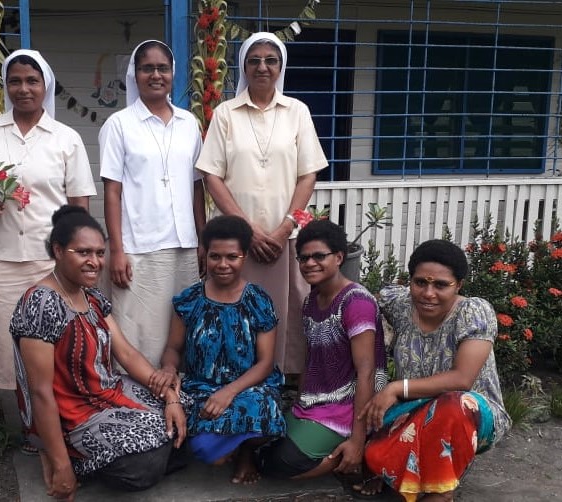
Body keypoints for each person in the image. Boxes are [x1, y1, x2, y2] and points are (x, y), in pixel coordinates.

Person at [10, 206, 189, 499]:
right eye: (83, 253)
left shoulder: (90, 295)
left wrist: (170, 397)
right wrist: (61, 465)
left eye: (100, 253)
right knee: (142, 464)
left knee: (187, 406)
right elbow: (40, 391)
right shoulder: (41, 304)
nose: (95, 262)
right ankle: (79, 461)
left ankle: (157, 448)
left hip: (109, 392)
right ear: (58, 250)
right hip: (75, 413)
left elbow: (128, 355)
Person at [0, 49, 97, 392]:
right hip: (0, 256)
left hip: (49, 262)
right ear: (6, 86)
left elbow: (79, 203)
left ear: (45, 86)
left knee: (56, 341)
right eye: (15, 81)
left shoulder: (66, 138)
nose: (24, 89)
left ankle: (59, 414)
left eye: (32, 81)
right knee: (4, 344)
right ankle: (15, 422)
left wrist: (75, 256)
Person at [196, 32, 328, 373]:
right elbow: (212, 176)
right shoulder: (226, 114)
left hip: (285, 237)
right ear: (243, 66)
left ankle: (285, 381)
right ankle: (236, 376)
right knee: (237, 309)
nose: (262, 67)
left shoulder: (297, 112)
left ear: (281, 67)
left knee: (287, 310)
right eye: (254, 60)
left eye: (271, 60)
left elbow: (308, 175)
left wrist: (287, 226)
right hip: (238, 240)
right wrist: (247, 230)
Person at [356, 239, 511, 501]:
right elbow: (360, 300)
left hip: (473, 415)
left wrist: (396, 388)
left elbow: (462, 379)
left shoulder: (473, 312)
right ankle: (396, 473)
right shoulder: (401, 304)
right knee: (373, 449)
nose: (428, 293)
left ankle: (441, 492)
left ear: (458, 285)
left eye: (441, 285)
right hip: (416, 408)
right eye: (420, 282)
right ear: (411, 281)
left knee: (453, 404)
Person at [153, 215, 286, 485]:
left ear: (244, 256)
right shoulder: (189, 299)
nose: (223, 265)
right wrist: (168, 366)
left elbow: (265, 363)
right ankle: (234, 446)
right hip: (202, 387)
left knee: (265, 414)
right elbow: (172, 348)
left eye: (232, 257)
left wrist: (229, 392)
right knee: (208, 452)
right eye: (215, 256)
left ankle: (246, 451)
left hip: (250, 387)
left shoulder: (258, 300)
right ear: (205, 254)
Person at [99, 39, 205, 368]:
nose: (155, 75)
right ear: (135, 75)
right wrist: (116, 249)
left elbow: (198, 187)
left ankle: (179, 392)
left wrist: (203, 239)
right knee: (139, 329)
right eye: (147, 68)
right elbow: (112, 192)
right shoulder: (118, 125)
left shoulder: (189, 124)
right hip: (138, 246)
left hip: (184, 245)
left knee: (182, 325)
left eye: (163, 68)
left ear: (172, 73)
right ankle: (138, 398)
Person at [259, 219, 387, 481]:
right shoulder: (311, 301)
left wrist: (358, 439)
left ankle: (349, 457)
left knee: (282, 462)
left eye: (319, 256)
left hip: (347, 406)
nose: (309, 263)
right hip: (315, 402)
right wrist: (298, 401)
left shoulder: (356, 302)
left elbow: (367, 372)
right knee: (262, 446)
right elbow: (311, 359)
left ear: (339, 257)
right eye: (303, 258)